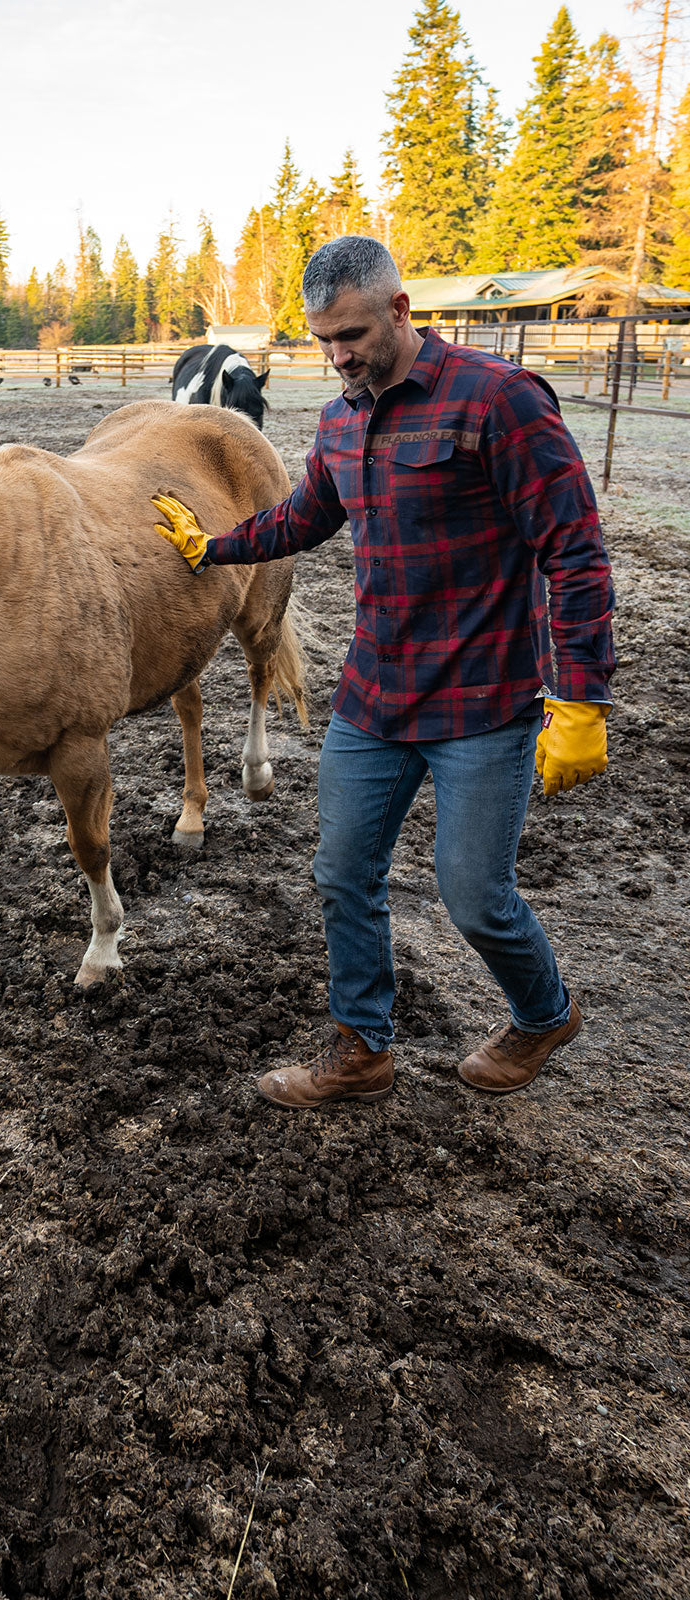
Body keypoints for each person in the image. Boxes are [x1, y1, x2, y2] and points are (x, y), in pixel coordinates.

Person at [153, 235, 614, 1109]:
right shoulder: (340, 416)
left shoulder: (500, 402)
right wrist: (216, 547)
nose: (339, 357)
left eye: (353, 335)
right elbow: (305, 515)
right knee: (342, 874)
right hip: (375, 696)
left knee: (475, 897)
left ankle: (544, 1012)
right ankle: (362, 1050)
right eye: (325, 340)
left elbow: (576, 552)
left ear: (401, 311)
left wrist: (582, 696)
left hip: (484, 701)